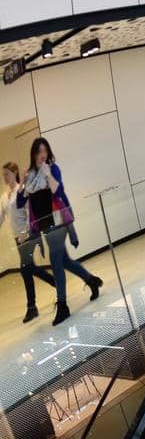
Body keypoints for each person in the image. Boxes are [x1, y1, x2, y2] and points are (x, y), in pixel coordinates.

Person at [17, 137, 103, 327]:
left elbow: (58, 192)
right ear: (33, 154)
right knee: (65, 261)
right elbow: (20, 203)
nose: (42, 155)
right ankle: (92, 281)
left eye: (44, 151)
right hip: (44, 225)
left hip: (58, 222)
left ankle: (63, 306)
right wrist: (23, 183)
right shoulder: (29, 175)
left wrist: (48, 174)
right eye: (38, 151)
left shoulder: (52, 169)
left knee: (56, 264)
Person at [2, 160, 55, 323]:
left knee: (25, 269)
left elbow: (29, 212)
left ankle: (31, 307)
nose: (4, 177)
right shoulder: (4, 196)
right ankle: (55, 281)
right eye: (3, 174)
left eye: (7, 174)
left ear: (15, 173)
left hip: (28, 234)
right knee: (29, 267)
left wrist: (26, 231)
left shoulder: (21, 190)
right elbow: (1, 216)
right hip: (17, 237)